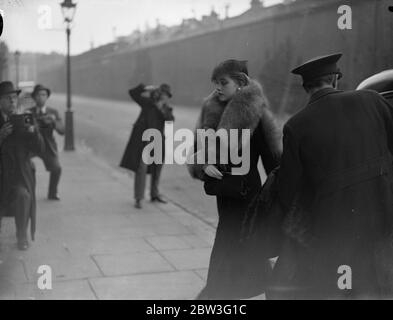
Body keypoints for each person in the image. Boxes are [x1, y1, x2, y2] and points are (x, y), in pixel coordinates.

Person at [270, 53, 393, 299]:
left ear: (306, 87)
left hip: (333, 225)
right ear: (335, 79)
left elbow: (288, 189)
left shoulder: (296, 125)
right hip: (383, 213)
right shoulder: (373, 100)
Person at [187, 59, 281, 299]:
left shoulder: (257, 113)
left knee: (232, 245)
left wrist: (277, 194)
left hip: (248, 194)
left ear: (241, 82)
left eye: (223, 82)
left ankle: (216, 295)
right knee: (241, 248)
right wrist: (204, 164)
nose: (217, 88)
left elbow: (273, 160)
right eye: (215, 83)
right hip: (225, 193)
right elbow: (197, 151)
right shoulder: (212, 110)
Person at [0, 81, 44, 250]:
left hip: (16, 176)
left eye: (13, 98)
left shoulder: (24, 118)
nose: (12, 102)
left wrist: (34, 133)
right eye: (7, 98)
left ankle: (21, 235)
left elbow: (40, 150)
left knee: (23, 195)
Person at [120, 83, 174, 209]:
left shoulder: (167, 108)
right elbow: (132, 93)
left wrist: (162, 109)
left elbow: (170, 120)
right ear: (159, 94)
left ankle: (154, 194)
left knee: (157, 168)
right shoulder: (147, 103)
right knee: (141, 169)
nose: (166, 98)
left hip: (158, 140)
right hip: (144, 141)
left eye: (168, 96)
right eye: (164, 95)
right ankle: (138, 198)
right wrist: (144, 88)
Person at [28, 84, 65, 200]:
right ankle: (27, 192)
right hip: (31, 145)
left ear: (47, 97)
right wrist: (33, 124)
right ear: (34, 97)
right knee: (24, 166)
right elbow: (24, 129)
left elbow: (62, 130)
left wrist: (53, 122)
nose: (41, 97)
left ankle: (52, 192)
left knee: (57, 168)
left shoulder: (53, 112)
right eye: (38, 95)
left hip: (48, 146)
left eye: (43, 95)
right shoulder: (27, 112)